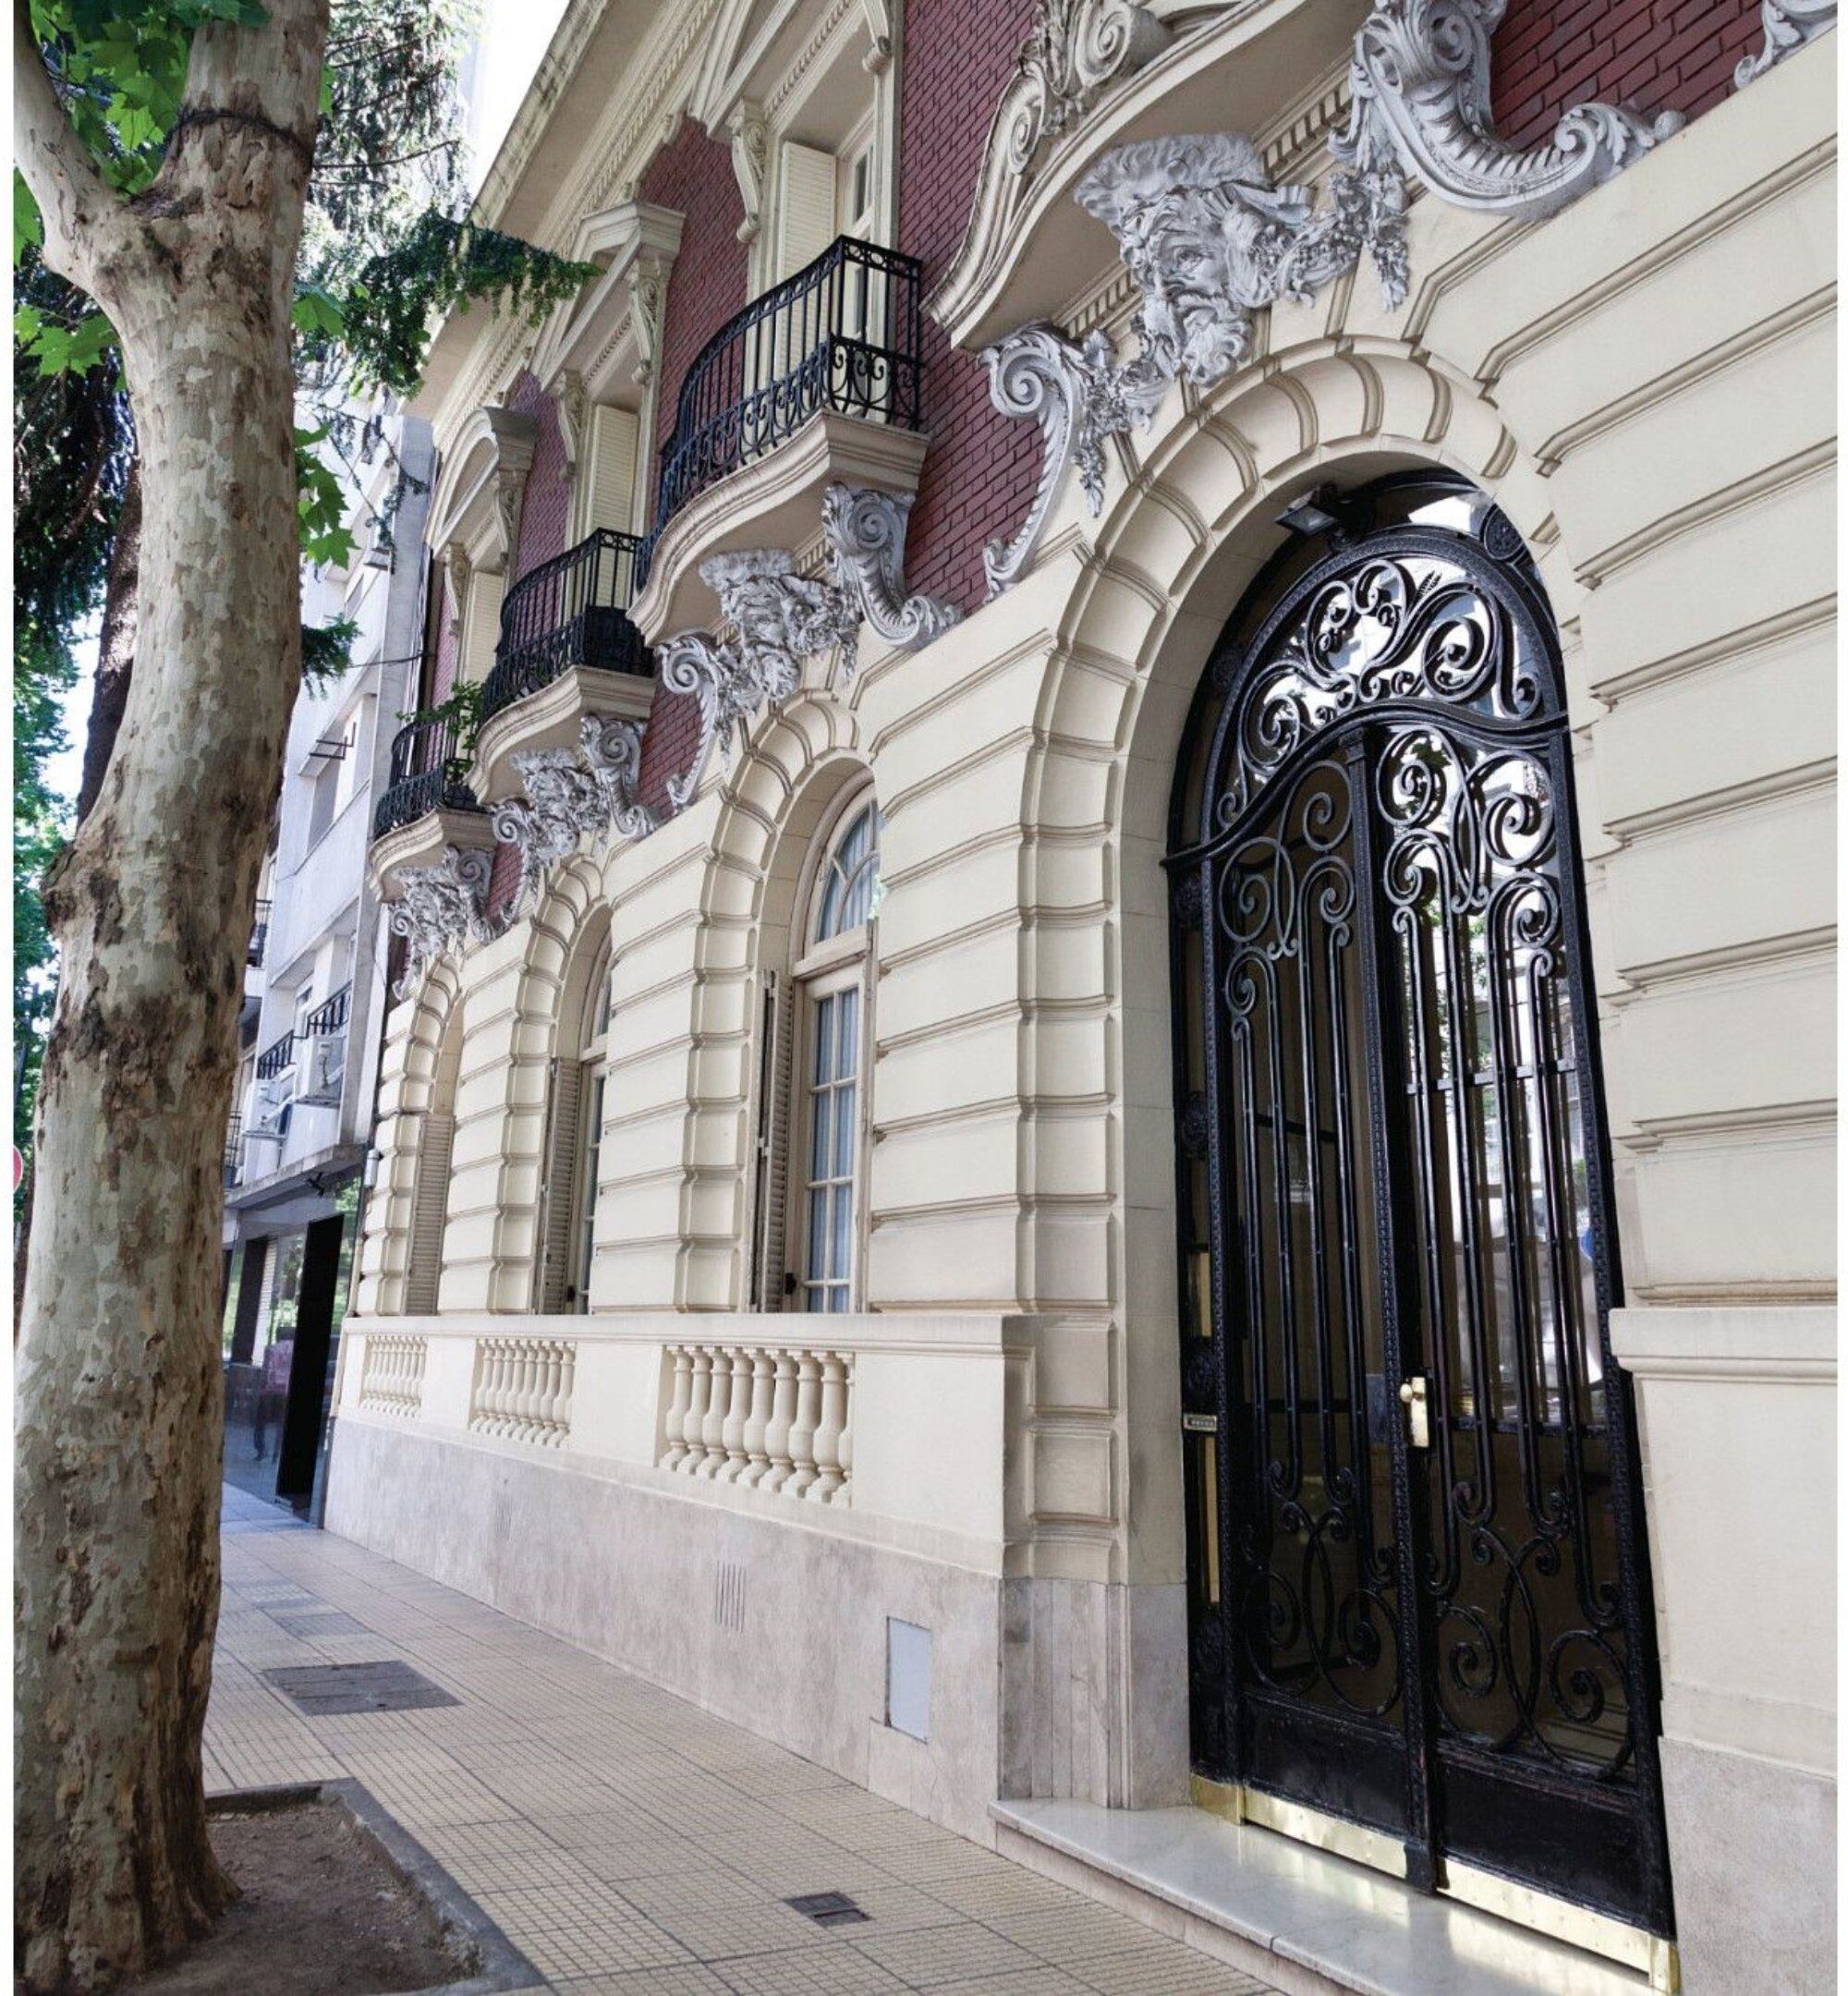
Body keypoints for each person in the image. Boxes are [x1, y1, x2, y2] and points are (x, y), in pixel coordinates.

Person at [252, 1334, 294, 1461]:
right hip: (285, 1392)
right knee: (281, 1424)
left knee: (261, 1422)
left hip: (269, 1392)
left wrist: (262, 1389)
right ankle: (276, 1453)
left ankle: (261, 1450)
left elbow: (267, 1370)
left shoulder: (271, 1349)